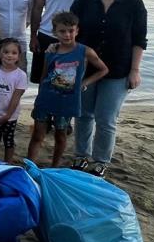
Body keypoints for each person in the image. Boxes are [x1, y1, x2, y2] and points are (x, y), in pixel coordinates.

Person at [69, 0, 147, 177]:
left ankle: (101, 160)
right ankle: (81, 155)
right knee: (83, 115)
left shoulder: (133, 3)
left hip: (118, 70)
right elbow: (71, 35)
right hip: (85, 70)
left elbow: (139, 39)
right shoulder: (82, 3)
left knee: (106, 118)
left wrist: (135, 70)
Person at [27, 12, 108, 166]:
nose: (67, 35)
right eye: (62, 31)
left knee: (61, 135)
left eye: (71, 31)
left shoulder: (84, 51)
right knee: (38, 134)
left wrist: (84, 83)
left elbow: (103, 70)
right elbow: (44, 76)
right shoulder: (51, 51)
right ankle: (29, 165)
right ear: (54, 32)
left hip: (66, 102)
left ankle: (54, 167)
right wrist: (39, 98)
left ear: (77, 31)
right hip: (46, 99)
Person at [0, 39, 28, 164]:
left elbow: (16, 97)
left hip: (10, 116)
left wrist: (7, 115)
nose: (10, 55)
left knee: (8, 140)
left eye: (14, 53)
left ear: (19, 56)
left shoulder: (21, 75)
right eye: (6, 52)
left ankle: (7, 164)